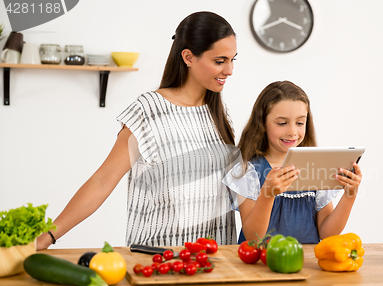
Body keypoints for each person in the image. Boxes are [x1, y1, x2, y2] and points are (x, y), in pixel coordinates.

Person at [37, 11, 239, 249]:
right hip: (161, 258)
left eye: (233, 59)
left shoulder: (218, 114)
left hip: (216, 259)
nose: (229, 70)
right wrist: (47, 237)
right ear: (188, 57)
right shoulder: (148, 111)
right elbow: (103, 181)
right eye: (220, 61)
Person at [222, 81, 362, 244]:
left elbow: (327, 233)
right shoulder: (248, 171)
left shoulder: (316, 167)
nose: (292, 132)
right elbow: (253, 237)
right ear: (263, 124)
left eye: (300, 123)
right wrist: (268, 194)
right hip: (260, 265)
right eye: (282, 123)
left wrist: (350, 194)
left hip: (306, 265)